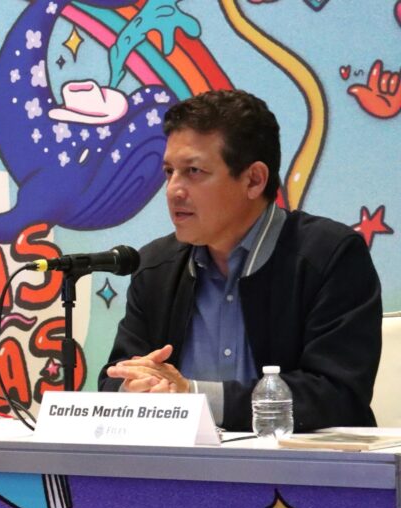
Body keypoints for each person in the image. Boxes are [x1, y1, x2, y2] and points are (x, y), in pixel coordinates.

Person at [99, 90, 381, 432]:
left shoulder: (330, 255)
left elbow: (337, 395)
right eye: (170, 171)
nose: (173, 189)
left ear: (254, 180)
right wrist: (135, 388)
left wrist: (191, 396)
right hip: (181, 462)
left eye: (193, 171)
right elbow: (115, 375)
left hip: (295, 464)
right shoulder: (155, 266)